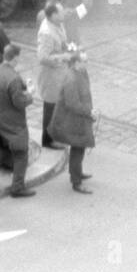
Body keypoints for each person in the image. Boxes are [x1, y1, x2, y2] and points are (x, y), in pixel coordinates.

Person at [0, 45, 36, 197]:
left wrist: (22, 85)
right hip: (13, 122)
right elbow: (19, 102)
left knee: (7, 146)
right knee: (21, 152)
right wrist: (30, 94)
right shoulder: (14, 78)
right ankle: (17, 188)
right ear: (16, 58)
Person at [49, 50, 97, 194]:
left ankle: (77, 173)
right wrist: (89, 112)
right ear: (76, 63)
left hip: (78, 118)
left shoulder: (81, 72)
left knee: (79, 148)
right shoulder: (71, 79)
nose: (87, 63)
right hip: (72, 120)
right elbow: (72, 104)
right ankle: (76, 182)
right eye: (84, 61)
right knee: (78, 147)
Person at [36, 2, 74, 151]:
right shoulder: (46, 32)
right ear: (52, 15)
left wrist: (70, 50)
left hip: (60, 73)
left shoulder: (58, 24)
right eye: (60, 12)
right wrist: (63, 57)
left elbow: (62, 43)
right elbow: (43, 57)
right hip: (51, 76)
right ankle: (47, 139)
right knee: (50, 107)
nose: (63, 14)